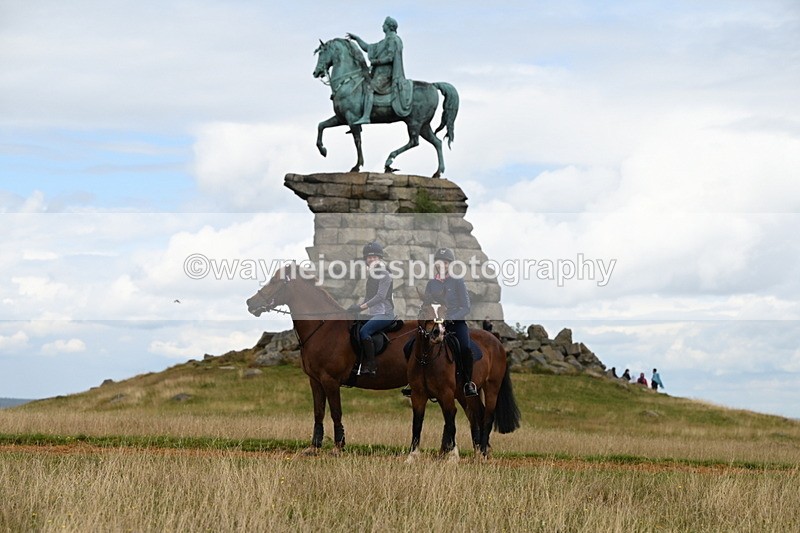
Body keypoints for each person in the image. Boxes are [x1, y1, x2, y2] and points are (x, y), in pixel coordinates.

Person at [423, 247, 478, 397]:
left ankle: (468, 383)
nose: (443, 264)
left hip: (456, 324)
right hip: (435, 324)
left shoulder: (457, 282)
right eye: (440, 261)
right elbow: (426, 304)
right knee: (414, 345)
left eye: (446, 262)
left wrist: (449, 319)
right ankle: (414, 381)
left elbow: (466, 307)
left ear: (449, 265)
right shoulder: (431, 284)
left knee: (465, 348)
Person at [346, 16, 411, 124]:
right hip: (379, 73)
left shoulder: (393, 40)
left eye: (384, 24)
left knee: (369, 88)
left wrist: (376, 62)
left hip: (386, 75)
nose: (382, 26)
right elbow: (368, 48)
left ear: (389, 26)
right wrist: (357, 39)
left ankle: (366, 116)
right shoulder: (385, 41)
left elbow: (390, 58)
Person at [347, 242, 394, 376]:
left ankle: (371, 366)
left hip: (386, 314)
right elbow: (368, 298)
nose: (371, 259)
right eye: (369, 257)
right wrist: (355, 309)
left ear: (379, 259)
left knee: (364, 332)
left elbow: (380, 296)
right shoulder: (372, 275)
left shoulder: (385, 274)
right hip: (374, 314)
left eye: (374, 257)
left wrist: (361, 307)